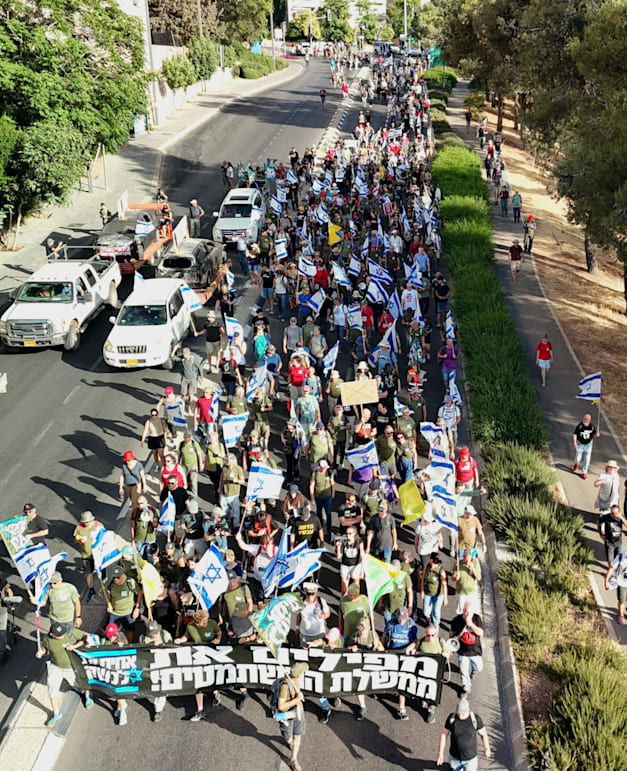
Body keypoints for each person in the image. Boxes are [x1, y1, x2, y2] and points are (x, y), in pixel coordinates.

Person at [36, 622, 92, 727]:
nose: (62, 635)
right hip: (55, 667)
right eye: (58, 635)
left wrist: (74, 645)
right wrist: (41, 652)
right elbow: (45, 648)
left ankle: (88, 696)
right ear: (52, 634)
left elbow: (88, 637)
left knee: (80, 683)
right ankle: (56, 713)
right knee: (52, 690)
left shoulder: (70, 632)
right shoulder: (47, 639)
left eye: (62, 633)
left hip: (71, 666)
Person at [175, 609, 222, 719]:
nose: (206, 623)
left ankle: (215, 693)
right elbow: (186, 636)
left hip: (212, 652)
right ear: (197, 623)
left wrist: (218, 639)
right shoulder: (191, 627)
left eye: (206, 620)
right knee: (199, 681)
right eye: (204, 622)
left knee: (214, 675)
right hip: (199, 655)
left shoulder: (212, 623)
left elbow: (219, 632)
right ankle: (200, 709)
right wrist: (180, 640)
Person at [436, 697, 492, 769]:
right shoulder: (452, 718)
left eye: (463, 713)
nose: (460, 715)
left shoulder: (475, 719)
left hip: (470, 760)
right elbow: (444, 734)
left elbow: (483, 734)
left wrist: (487, 748)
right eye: (459, 713)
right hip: (454, 758)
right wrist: (440, 753)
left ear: (468, 710)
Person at [383, 606, 418, 720]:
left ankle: (401, 708)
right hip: (392, 655)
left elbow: (416, 640)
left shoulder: (411, 624)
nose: (401, 621)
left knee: (402, 680)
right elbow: (384, 637)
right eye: (399, 618)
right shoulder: (391, 623)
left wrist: (410, 647)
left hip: (405, 656)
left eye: (403, 618)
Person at [277, 662, 309, 771]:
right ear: (298, 675)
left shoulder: (295, 679)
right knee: (288, 737)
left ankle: (293, 759)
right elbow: (281, 706)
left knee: (297, 735)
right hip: (285, 715)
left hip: (298, 711)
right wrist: (297, 699)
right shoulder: (285, 686)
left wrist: (298, 696)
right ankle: (288, 740)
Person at [139, 620, 173, 721]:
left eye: (156, 633)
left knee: (161, 687)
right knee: (153, 686)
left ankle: (158, 709)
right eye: (152, 634)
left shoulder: (165, 634)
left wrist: (162, 645)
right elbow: (140, 652)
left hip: (164, 664)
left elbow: (172, 647)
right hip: (150, 666)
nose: (155, 635)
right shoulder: (143, 638)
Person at [449, 601, 484, 693]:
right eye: (466, 612)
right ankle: (466, 688)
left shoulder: (477, 619)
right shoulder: (456, 620)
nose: (467, 614)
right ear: (463, 611)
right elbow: (451, 634)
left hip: (475, 651)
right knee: (464, 672)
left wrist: (471, 625)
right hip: (462, 652)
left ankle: (474, 670)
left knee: (479, 667)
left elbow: (480, 633)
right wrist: (451, 648)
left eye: (469, 612)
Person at [106, 564, 142, 642]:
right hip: (115, 612)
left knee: (130, 629)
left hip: (128, 612)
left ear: (123, 575)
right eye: (114, 577)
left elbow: (139, 593)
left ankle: (129, 644)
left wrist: (137, 608)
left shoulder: (130, 582)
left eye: (118, 577)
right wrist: (109, 604)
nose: (115, 579)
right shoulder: (111, 584)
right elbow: (108, 593)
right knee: (110, 631)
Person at [72, 510, 101, 603]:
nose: (87, 524)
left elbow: (105, 536)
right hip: (86, 554)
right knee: (88, 573)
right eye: (85, 522)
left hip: (98, 553)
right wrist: (80, 540)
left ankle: (103, 580)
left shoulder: (98, 525)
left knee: (101, 569)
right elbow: (76, 539)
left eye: (89, 521)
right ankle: (91, 589)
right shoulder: (79, 528)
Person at [420, 553, 448, 629]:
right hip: (428, 593)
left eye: (429, 557)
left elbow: (444, 584)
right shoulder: (427, 567)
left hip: (438, 595)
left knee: (436, 611)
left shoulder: (440, 571)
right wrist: (422, 590)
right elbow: (423, 579)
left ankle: (436, 625)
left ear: (432, 560)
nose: (428, 558)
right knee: (426, 611)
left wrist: (445, 597)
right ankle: (428, 620)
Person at [219, 454, 246, 528]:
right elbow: (222, 477)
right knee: (224, 509)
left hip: (233, 494)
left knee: (235, 511)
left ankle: (236, 524)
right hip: (224, 492)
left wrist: (237, 480)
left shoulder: (238, 469)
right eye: (225, 460)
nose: (226, 461)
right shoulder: (224, 467)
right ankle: (225, 522)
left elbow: (243, 481)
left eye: (228, 460)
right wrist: (220, 487)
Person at [572, 412, 600, 479]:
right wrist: (574, 443)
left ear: (590, 419)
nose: (586, 419)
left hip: (588, 445)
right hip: (580, 444)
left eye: (587, 419)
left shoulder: (592, 427)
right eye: (585, 418)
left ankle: (584, 472)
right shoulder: (580, 426)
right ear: (583, 418)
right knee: (578, 458)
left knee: (587, 459)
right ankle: (576, 463)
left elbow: (594, 435)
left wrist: (597, 435)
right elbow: (575, 434)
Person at [604, 546, 627, 625]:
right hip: (622, 583)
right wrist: (606, 580)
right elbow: (612, 568)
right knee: (622, 600)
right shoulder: (621, 556)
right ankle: (621, 614)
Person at [178, 432, 204, 498]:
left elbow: (199, 455)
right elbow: (180, 454)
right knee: (183, 479)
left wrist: (200, 465)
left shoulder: (194, 444)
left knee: (193, 480)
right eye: (185, 437)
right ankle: (183, 492)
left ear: (190, 438)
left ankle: (194, 495)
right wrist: (178, 463)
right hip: (184, 465)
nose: (186, 439)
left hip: (193, 466)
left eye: (187, 438)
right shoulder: (181, 444)